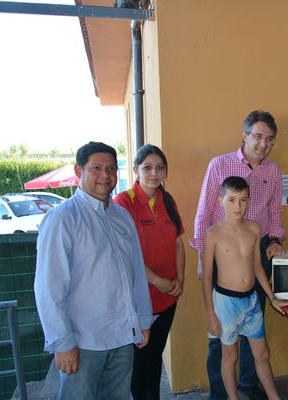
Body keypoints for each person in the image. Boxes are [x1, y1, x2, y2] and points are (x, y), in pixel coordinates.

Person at [34, 141, 153, 400]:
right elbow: (49, 287)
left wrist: (143, 319)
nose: (106, 175)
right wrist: (62, 343)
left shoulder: (122, 217)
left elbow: (136, 275)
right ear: (79, 171)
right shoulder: (63, 218)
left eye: (111, 168)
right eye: (96, 167)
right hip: (83, 341)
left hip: (123, 336)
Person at [190, 110, 285, 400]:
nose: (263, 144)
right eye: (257, 136)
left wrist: (275, 239)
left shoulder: (273, 171)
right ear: (244, 136)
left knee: (253, 322)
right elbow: (204, 211)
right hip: (222, 253)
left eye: (269, 139)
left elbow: (276, 212)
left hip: (258, 252)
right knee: (221, 332)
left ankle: (247, 384)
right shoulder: (219, 165)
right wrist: (202, 254)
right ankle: (220, 393)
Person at [201, 176, 288, 400]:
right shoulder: (213, 233)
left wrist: (271, 297)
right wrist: (211, 314)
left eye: (243, 200)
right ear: (221, 201)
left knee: (262, 353)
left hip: (251, 301)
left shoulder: (254, 229)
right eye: (231, 200)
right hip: (226, 302)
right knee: (230, 356)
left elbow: (258, 267)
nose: (237, 206)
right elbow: (207, 276)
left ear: (249, 201)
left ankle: (274, 397)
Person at [114, 144, 185, 400]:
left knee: (155, 356)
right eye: (147, 168)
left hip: (168, 297)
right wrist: (158, 281)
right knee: (139, 362)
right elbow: (125, 254)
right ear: (135, 170)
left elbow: (178, 242)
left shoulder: (168, 200)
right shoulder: (124, 202)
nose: (154, 173)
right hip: (139, 300)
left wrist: (179, 280)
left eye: (160, 167)